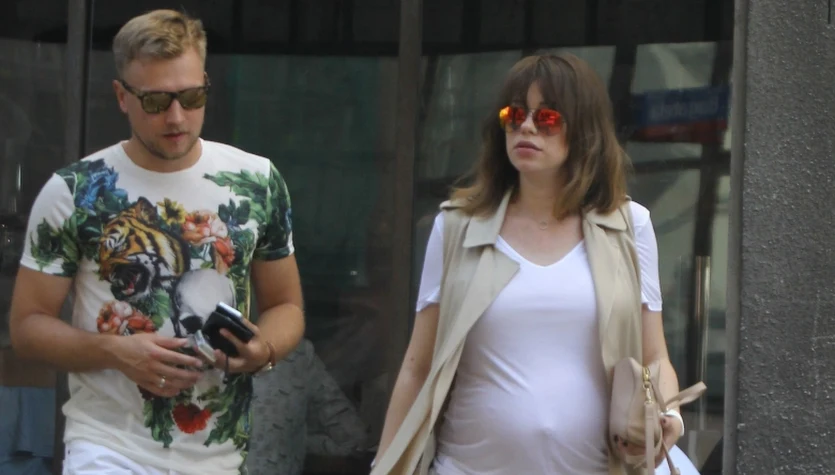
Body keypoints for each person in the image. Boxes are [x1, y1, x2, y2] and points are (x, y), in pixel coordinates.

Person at [371, 53, 699, 475]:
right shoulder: (456, 227)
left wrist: (669, 416)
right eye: (514, 115)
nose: (526, 127)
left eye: (546, 118)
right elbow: (417, 369)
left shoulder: (629, 225)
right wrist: (386, 466)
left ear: (584, 130)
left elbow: (654, 357)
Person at [8, 9, 304, 475]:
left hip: (219, 456)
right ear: (121, 97)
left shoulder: (257, 182)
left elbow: (287, 306)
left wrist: (261, 350)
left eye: (191, 96)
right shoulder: (74, 191)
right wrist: (115, 351)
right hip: (107, 447)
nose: (176, 116)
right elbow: (27, 326)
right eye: (155, 101)